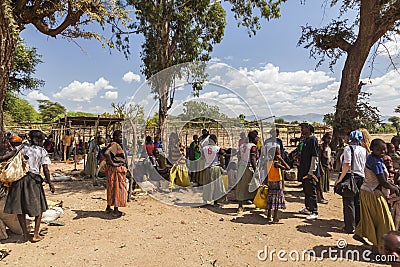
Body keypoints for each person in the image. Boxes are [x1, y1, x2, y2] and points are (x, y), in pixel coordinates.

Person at [0, 130, 55, 242]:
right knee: (39, 208)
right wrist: (50, 183)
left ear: (29, 139)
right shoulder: (42, 151)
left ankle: (25, 234)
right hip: (33, 181)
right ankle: (35, 235)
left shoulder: (21, 148)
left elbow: (4, 158)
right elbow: (45, 169)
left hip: (19, 180)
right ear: (40, 141)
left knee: (20, 208)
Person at [354, 138, 399, 253]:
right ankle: (382, 248)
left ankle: (372, 243)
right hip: (372, 193)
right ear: (372, 149)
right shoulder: (376, 162)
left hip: (367, 191)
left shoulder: (373, 157)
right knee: (384, 222)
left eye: (384, 149)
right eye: (379, 149)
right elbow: (383, 182)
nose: (382, 151)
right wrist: (396, 188)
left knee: (373, 220)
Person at [334, 130, 366, 234]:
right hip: (361, 178)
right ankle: (358, 225)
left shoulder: (348, 149)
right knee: (357, 202)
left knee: (348, 203)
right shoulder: (363, 150)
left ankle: (349, 227)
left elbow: (347, 165)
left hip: (349, 177)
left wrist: (339, 179)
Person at [297, 123, 320, 220]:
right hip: (304, 170)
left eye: (303, 128)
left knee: (311, 191)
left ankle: (314, 211)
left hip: (310, 172)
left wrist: (311, 171)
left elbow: (315, 156)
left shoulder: (313, 139)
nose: (302, 130)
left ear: (308, 129)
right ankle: (308, 208)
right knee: (306, 190)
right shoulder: (305, 140)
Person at [104, 130, 127, 217]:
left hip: (112, 169)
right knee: (118, 189)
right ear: (115, 137)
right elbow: (107, 153)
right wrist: (113, 163)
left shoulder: (112, 144)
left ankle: (108, 207)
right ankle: (116, 210)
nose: (121, 138)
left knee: (111, 187)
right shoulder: (115, 144)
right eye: (120, 137)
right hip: (116, 169)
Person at [265, 143, 290, 223]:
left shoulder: (268, 163)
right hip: (277, 183)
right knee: (276, 200)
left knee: (270, 198)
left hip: (270, 182)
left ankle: (269, 215)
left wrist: (266, 182)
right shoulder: (276, 164)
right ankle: (275, 217)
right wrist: (282, 159)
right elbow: (288, 168)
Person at [236, 131, 259, 213]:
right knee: (255, 185)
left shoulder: (242, 146)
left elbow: (239, 156)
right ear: (253, 138)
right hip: (249, 168)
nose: (258, 138)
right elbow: (253, 159)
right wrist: (256, 170)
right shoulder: (253, 147)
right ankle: (257, 204)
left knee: (241, 187)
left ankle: (240, 206)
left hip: (241, 167)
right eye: (257, 137)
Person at [202, 134, 226, 207]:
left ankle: (205, 200)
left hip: (207, 168)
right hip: (215, 168)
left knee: (207, 185)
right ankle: (215, 202)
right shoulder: (218, 148)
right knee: (216, 185)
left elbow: (203, 157)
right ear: (215, 140)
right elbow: (223, 155)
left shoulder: (204, 148)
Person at [318, 132, 332, 204]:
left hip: (326, 167)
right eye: (328, 138)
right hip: (322, 166)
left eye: (330, 138)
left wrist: (330, 165)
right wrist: (321, 168)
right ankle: (319, 197)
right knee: (320, 183)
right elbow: (319, 158)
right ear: (325, 138)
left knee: (324, 183)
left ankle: (321, 197)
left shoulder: (329, 147)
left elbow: (329, 157)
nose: (329, 140)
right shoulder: (321, 147)